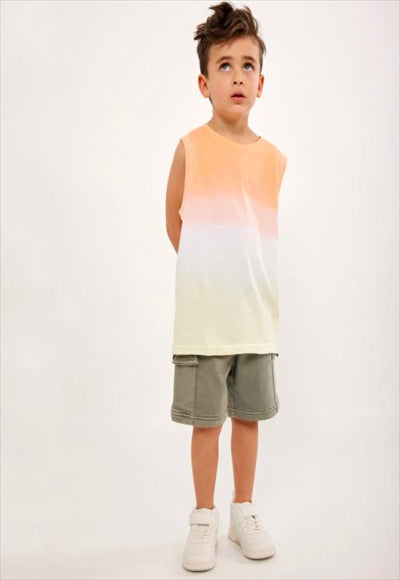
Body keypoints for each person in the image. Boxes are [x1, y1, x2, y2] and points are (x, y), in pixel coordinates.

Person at [165, 1, 287, 572]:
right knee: (205, 424)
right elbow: (175, 222)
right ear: (204, 82)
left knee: (248, 417)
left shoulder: (274, 160)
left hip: (255, 317)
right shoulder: (191, 147)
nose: (237, 76)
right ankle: (202, 517)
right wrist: (205, 274)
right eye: (224, 65)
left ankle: (243, 510)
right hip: (204, 319)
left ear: (261, 83)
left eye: (247, 65)